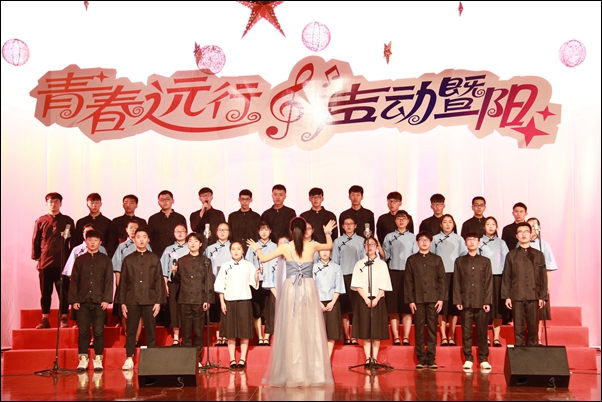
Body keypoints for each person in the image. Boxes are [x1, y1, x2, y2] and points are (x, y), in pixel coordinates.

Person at [247, 217, 337, 387]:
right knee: (309, 327)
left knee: (292, 327)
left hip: (291, 288)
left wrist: (257, 248)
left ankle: (293, 373)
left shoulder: (285, 247)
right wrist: (327, 232)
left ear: (291, 230)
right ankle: (313, 373)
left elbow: (264, 259)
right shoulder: (312, 245)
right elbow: (329, 246)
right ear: (305, 231)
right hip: (308, 287)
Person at [115, 227, 166, 371]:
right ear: (134, 239)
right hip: (132, 299)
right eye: (138, 237)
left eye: (144, 237)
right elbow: (123, 282)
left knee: (151, 330)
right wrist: (122, 302)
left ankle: (151, 358)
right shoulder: (128, 259)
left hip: (150, 299)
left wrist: (158, 301)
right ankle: (129, 358)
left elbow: (158, 281)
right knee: (131, 330)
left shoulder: (154, 258)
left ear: (148, 239)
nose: (141, 240)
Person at [69, 229, 113, 372]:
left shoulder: (105, 260)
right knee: (83, 332)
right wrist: (74, 299)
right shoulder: (80, 260)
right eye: (90, 240)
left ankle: (98, 358)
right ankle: (83, 359)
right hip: (82, 301)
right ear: (85, 241)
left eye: (95, 240)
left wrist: (106, 299)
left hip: (99, 301)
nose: (92, 243)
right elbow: (74, 281)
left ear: (100, 242)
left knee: (99, 331)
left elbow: (109, 281)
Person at [32, 192, 75, 329]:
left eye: (56, 201)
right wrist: (37, 258)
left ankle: (64, 318)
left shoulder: (67, 221)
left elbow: (73, 242)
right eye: (50, 202)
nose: (53, 204)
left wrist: (72, 261)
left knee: (63, 292)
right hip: (45, 262)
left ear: (60, 203)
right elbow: (35, 240)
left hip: (63, 262)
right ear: (47, 204)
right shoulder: (41, 221)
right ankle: (45, 318)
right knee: (45, 292)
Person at [215, 241, 260, 369]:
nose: (236, 251)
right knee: (231, 332)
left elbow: (254, 283)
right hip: (229, 300)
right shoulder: (225, 266)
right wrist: (222, 302)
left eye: (238, 249)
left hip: (244, 300)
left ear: (243, 251)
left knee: (244, 331)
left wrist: (256, 275)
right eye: (233, 249)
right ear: (230, 251)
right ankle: (232, 359)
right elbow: (220, 285)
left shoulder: (248, 265)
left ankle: (242, 359)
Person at [501, 222, 547, 346]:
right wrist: (507, 296)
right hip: (517, 295)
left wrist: (542, 296)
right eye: (520, 232)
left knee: (533, 326)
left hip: (533, 295)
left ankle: (533, 352)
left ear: (531, 234)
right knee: (518, 327)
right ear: (517, 236)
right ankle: (520, 353)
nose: (523, 234)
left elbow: (542, 277)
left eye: (526, 231)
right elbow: (507, 276)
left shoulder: (538, 255)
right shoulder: (511, 255)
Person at [404, 231, 446, 370]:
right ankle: (421, 358)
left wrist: (441, 298)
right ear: (417, 242)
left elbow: (442, 280)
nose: (424, 242)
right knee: (419, 329)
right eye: (421, 240)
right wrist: (411, 300)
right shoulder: (411, 260)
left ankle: (431, 358)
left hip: (433, 299)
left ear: (431, 242)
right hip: (418, 299)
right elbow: (408, 281)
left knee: (433, 328)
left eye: (426, 240)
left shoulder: (437, 259)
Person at [453, 232, 493, 371]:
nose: (471, 242)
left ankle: (483, 359)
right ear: (465, 243)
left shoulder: (485, 261)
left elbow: (488, 282)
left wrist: (487, 301)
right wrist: (458, 300)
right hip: (465, 301)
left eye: (474, 240)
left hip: (481, 302)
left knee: (482, 332)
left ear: (479, 242)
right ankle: (468, 358)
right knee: (466, 331)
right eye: (469, 240)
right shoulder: (459, 261)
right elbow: (457, 281)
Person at [351, 237, 393, 365]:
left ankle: (374, 357)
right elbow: (357, 283)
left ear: (377, 247)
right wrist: (366, 298)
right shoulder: (359, 264)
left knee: (376, 330)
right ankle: (367, 358)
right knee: (365, 330)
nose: (370, 247)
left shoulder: (382, 264)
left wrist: (376, 298)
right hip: (363, 299)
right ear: (364, 247)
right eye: (367, 245)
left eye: (372, 244)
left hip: (378, 299)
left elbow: (384, 283)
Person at [171, 232, 214, 355]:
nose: (193, 243)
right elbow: (176, 280)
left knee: (199, 330)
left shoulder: (206, 261)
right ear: (187, 244)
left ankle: (198, 357)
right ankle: (187, 358)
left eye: (195, 241)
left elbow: (208, 281)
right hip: (184, 298)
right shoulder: (181, 260)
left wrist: (207, 299)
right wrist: (173, 272)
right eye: (190, 241)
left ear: (200, 244)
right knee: (186, 330)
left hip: (199, 299)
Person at [111, 220, 151, 344]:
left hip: (143, 286)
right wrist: (119, 286)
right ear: (126, 230)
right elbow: (117, 268)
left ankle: (136, 339)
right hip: (127, 285)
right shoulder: (122, 247)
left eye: (135, 228)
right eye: (131, 228)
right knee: (126, 313)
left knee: (140, 314)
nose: (133, 230)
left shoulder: (147, 246)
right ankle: (129, 337)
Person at [382, 210, 418, 346]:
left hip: (408, 274)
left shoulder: (413, 237)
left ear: (408, 221)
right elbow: (385, 256)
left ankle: (406, 336)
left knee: (407, 307)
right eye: (398, 218)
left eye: (404, 218)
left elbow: (415, 257)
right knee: (393, 307)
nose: (401, 221)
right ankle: (396, 336)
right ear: (395, 221)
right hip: (393, 272)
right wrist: (378, 247)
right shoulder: (389, 236)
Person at [431, 214, 467, 346]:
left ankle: (451, 335)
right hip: (439, 275)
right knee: (441, 307)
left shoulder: (459, 239)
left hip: (454, 275)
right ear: (441, 225)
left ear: (454, 224)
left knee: (452, 306)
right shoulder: (435, 238)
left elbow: (464, 256)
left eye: (450, 222)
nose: (447, 224)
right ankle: (443, 336)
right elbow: (431, 256)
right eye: (445, 222)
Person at [331, 216, 366, 345]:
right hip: (343, 276)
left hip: (357, 277)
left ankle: (355, 336)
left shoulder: (361, 240)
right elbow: (335, 261)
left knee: (356, 308)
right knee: (344, 308)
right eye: (346, 224)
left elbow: (364, 260)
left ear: (355, 226)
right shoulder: (337, 241)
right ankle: (347, 336)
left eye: (351, 224)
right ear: (342, 226)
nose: (349, 226)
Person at [526, 217, 558, 345]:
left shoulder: (543, 244)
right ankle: (528, 336)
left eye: (534, 227)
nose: (532, 230)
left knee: (539, 313)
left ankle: (537, 337)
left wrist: (548, 285)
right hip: (525, 283)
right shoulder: (521, 244)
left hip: (539, 283)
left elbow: (548, 267)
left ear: (539, 229)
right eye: (529, 227)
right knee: (526, 312)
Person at [478, 216, 509, 347]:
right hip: (483, 278)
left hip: (498, 277)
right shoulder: (479, 241)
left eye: (493, 224)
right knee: (484, 309)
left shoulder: (501, 243)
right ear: (484, 227)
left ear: (497, 227)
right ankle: (485, 337)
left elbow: (506, 260)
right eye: (488, 224)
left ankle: (496, 337)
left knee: (497, 309)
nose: (490, 226)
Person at [245, 221, 277, 345]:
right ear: (258, 232)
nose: (264, 232)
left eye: (266, 229)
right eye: (261, 230)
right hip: (257, 281)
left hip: (271, 283)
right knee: (256, 310)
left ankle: (267, 337)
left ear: (270, 231)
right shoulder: (253, 246)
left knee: (269, 310)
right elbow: (248, 263)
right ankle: (259, 337)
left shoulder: (275, 246)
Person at [159, 224, 189, 346]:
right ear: (174, 233)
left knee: (186, 309)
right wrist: (165, 284)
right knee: (174, 309)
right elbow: (163, 268)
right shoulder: (169, 249)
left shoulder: (190, 246)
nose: (180, 233)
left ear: (187, 233)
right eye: (177, 231)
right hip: (173, 283)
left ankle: (186, 337)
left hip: (188, 284)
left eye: (182, 231)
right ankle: (176, 337)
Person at [313, 249, 345, 359]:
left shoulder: (336, 267)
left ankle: (327, 359)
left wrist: (332, 302)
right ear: (318, 253)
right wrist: (319, 303)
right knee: (318, 332)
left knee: (332, 332)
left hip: (332, 301)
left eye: (327, 250)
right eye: (322, 250)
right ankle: (319, 359)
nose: (324, 253)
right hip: (317, 301)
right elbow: (311, 287)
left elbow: (339, 286)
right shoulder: (313, 267)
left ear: (331, 252)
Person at [204, 221, 232, 346]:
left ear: (229, 233)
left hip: (229, 284)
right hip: (214, 283)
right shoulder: (209, 248)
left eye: (225, 230)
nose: (222, 232)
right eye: (220, 230)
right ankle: (218, 336)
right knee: (215, 311)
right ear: (216, 232)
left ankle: (225, 336)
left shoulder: (233, 247)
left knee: (226, 310)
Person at [148, 190, 187, 258]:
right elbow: (149, 238)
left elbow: (184, 236)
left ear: (173, 201)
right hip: (157, 254)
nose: (164, 201)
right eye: (162, 200)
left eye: (167, 199)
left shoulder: (180, 218)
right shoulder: (153, 219)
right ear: (158, 202)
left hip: (177, 253)